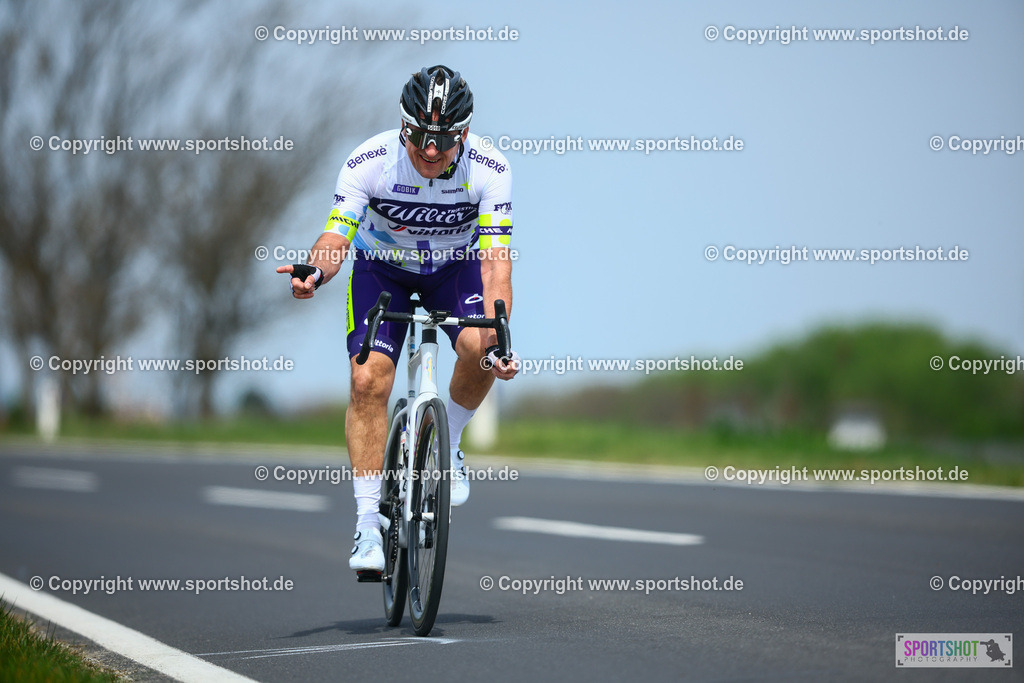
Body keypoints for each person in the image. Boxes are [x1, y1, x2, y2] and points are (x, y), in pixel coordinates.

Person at [277, 65, 519, 579]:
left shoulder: (490, 168)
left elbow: (496, 264)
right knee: (368, 380)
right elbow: (336, 237)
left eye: (444, 140)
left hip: (454, 270)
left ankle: (449, 443)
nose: (430, 150)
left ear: (464, 134)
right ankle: (368, 525)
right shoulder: (369, 161)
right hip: (381, 269)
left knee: (481, 348)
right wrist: (315, 271)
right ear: (402, 125)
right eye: (419, 136)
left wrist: (500, 338)